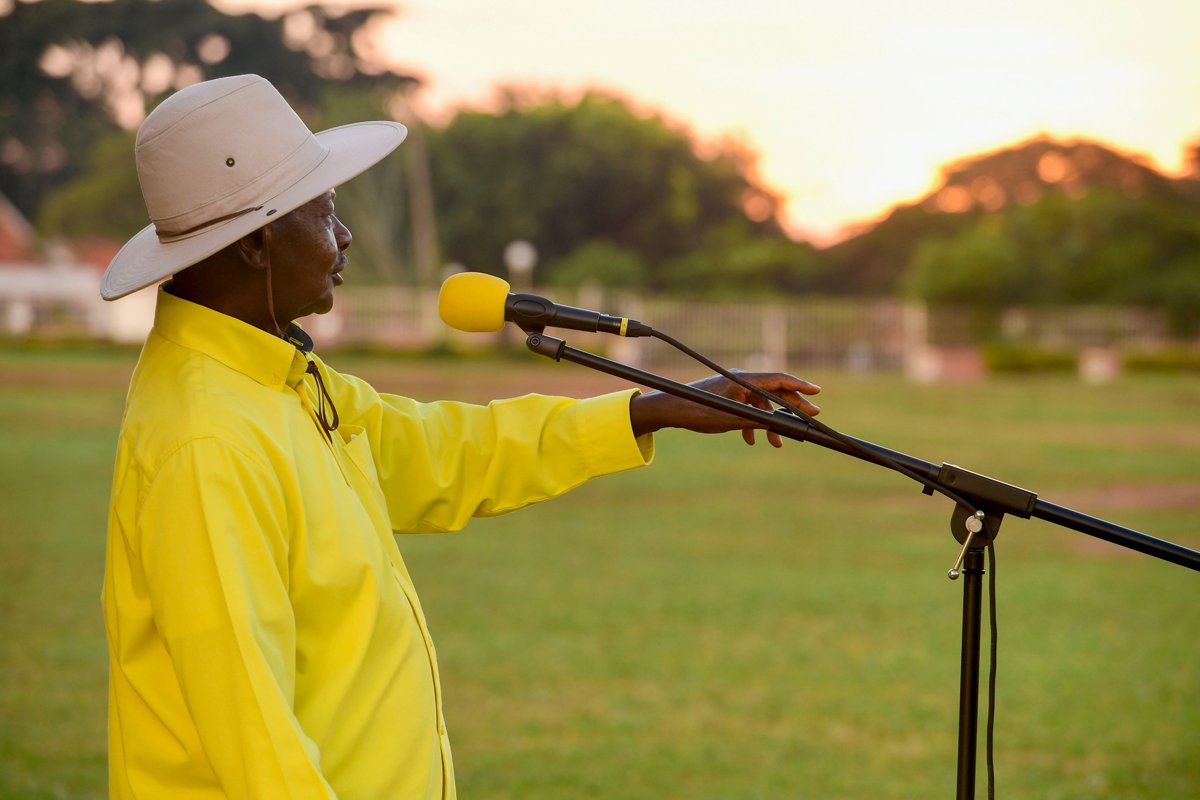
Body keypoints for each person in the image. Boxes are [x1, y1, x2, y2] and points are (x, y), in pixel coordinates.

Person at [99, 74, 821, 799]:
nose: (343, 236)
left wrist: (650, 408)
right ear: (257, 244)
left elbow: (444, 451)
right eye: (324, 213)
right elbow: (252, 741)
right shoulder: (207, 440)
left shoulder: (274, 378)